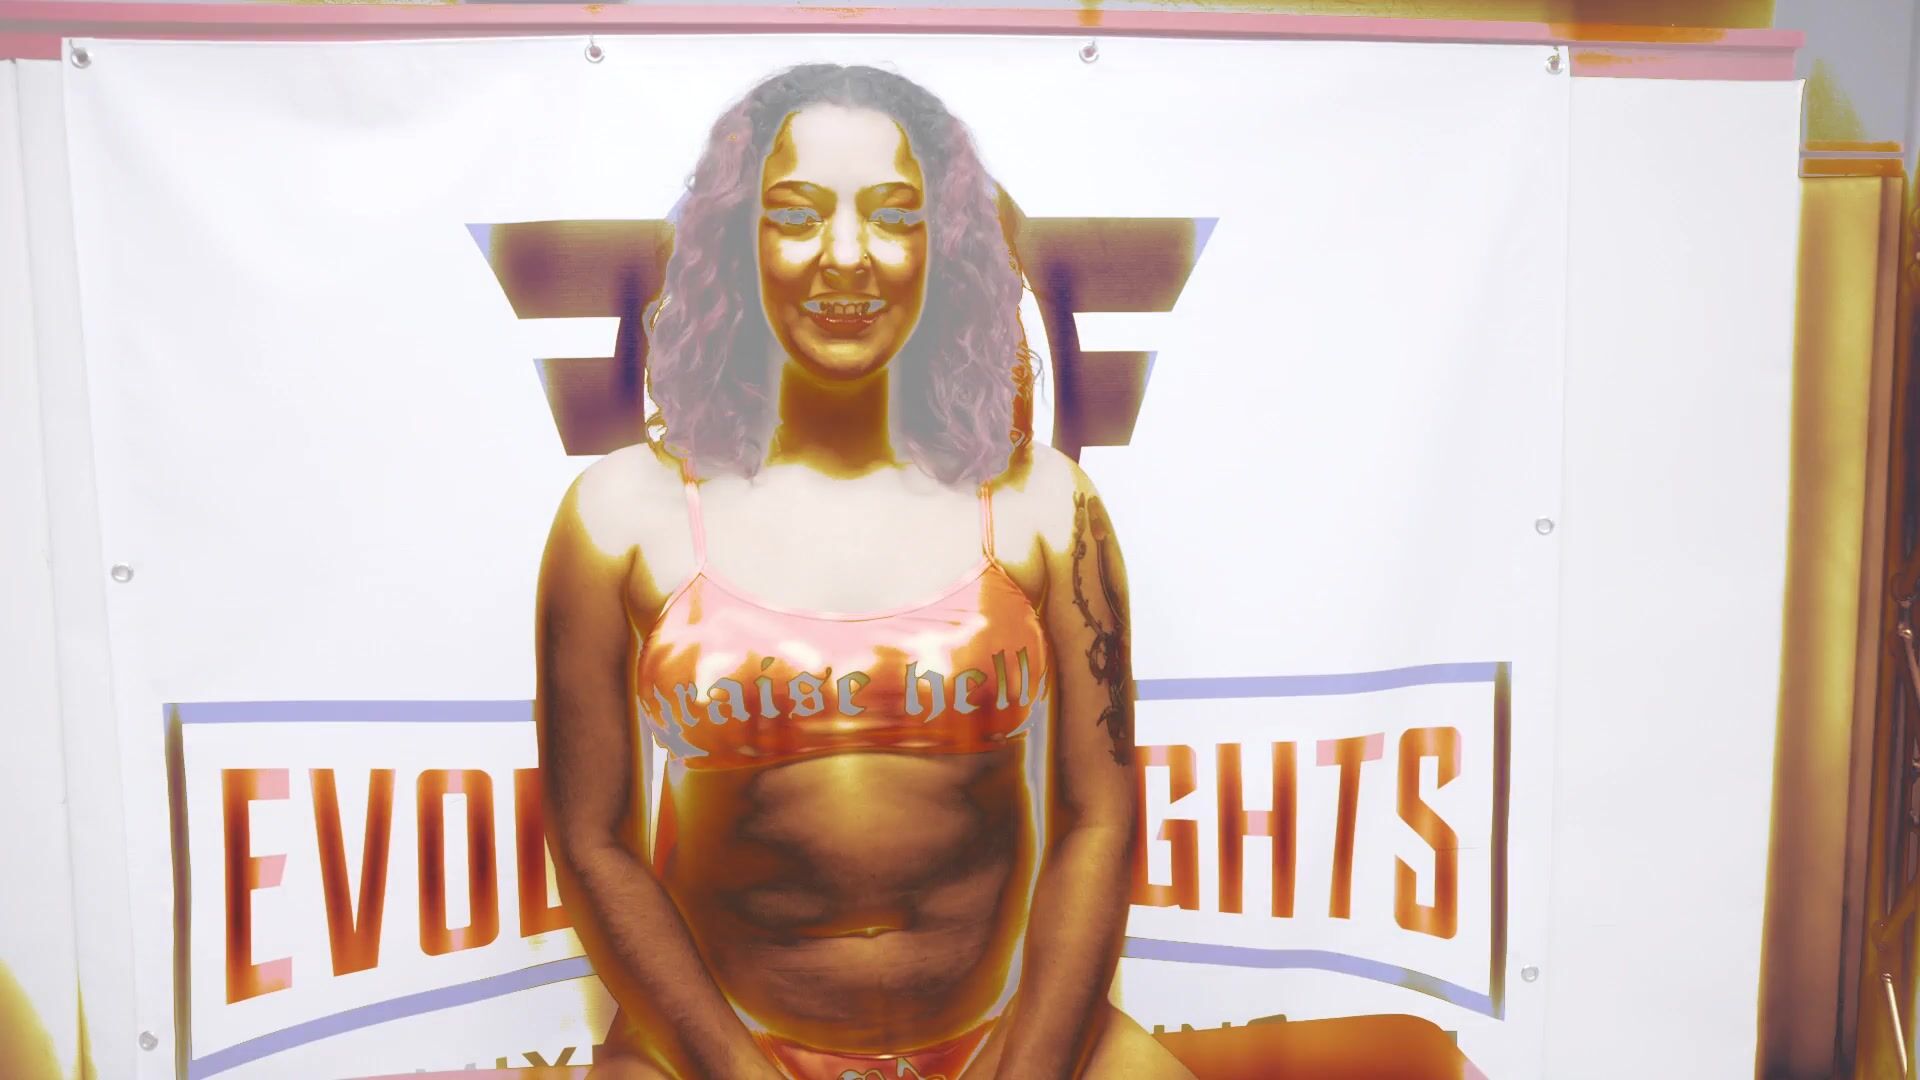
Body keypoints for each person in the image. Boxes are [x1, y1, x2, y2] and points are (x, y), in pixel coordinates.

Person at [533, 63, 1193, 1080]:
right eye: (797, 215)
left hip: (1009, 1045)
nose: (846, 256)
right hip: (711, 1057)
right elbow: (592, 844)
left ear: (944, 246)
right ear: (737, 241)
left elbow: (1099, 820)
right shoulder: (619, 517)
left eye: (893, 215)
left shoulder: (1045, 505)